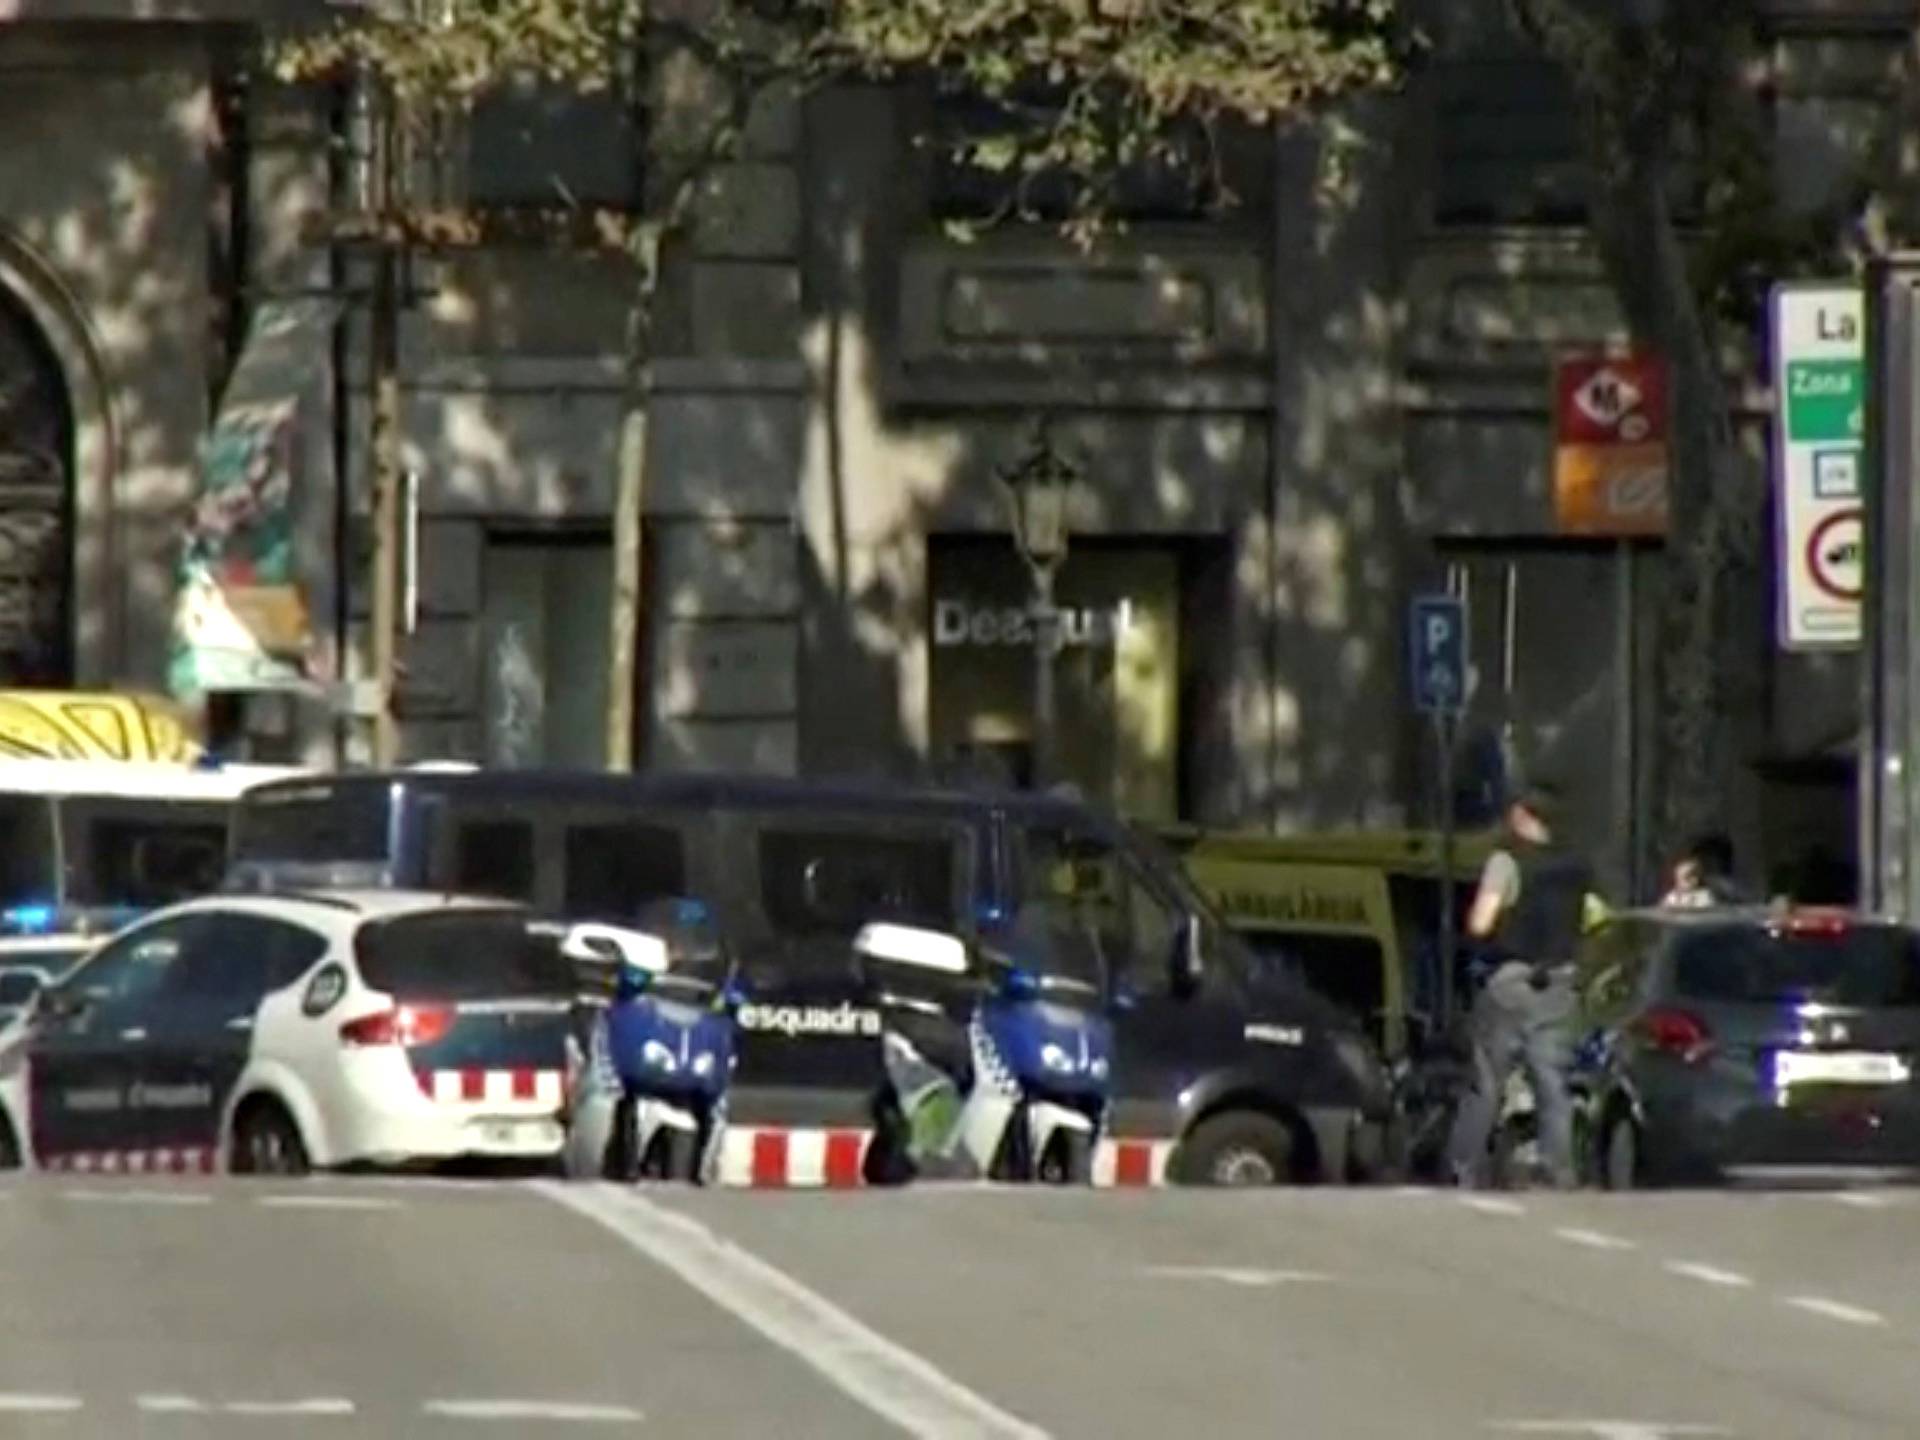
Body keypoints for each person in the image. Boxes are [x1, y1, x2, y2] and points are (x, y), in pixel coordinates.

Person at [1446, 783, 1595, 1189]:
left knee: (1487, 1079)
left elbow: (1481, 920)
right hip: (1560, 981)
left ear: (1525, 817)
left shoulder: (1506, 861)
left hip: (1512, 979)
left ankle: (1464, 1167)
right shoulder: (1578, 867)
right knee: (1550, 1080)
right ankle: (1559, 1170)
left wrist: (1478, 933)